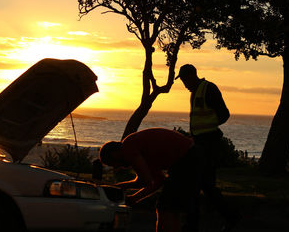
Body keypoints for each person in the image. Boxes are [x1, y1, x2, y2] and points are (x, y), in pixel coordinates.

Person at [99, 128, 204, 232]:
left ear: (114, 154)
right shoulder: (141, 152)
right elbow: (158, 181)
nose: (116, 167)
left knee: (166, 208)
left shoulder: (128, 148)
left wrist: (117, 187)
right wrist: (134, 198)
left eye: (112, 163)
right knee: (170, 209)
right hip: (191, 157)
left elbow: (145, 181)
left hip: (187, 159)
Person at [176, 64, 240, 232]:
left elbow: (224, 114)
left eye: (183, 80)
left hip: (208, 144)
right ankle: (227, 217)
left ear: (191, 76)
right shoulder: (195, 92)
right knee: (205, 185)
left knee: (197, 184)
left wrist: (209, 130)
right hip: (199, 143)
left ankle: (194, 224)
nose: (183, 84)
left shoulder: (208, 89)